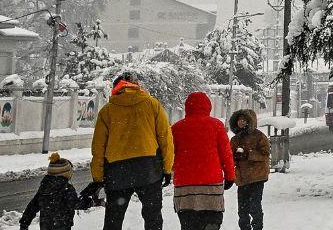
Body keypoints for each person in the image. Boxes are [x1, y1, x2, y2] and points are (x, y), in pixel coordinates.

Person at [85, 72, 175, 230]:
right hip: (149, 170)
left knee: (114, 219)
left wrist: (98, 178)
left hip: (117, 172)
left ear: (116, 88)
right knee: (152, 216)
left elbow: (98, 148)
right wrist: (167, 169)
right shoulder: (152, 104)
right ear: (136, 85)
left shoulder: (107, 111)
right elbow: (166, 139)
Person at [171, 92, 236, 230]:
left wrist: (167, 171)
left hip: (185, 186)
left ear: (187, 107)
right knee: (212, 218)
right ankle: (210, 224)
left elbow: (170, 155)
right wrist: (230, 176)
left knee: (188, 223)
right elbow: (226, 154)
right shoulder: (216, 125)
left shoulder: (176, 128)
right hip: (211, 185)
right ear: (208, 106)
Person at [228, 109, 270, 230]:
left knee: (254, 207)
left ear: (250, 122)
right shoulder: (235, 139)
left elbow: (265, 154)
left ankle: (257, 227)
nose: (241, 122)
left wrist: (248, 154)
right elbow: (230, 157)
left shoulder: (259, 136)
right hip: (242, 179)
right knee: (242, 209)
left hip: (257, 177)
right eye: (239, 120)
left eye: (244, 120)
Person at [19, 153, 81, 230]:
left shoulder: (44, 188)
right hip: (63, 226)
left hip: (45, 226)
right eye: (70, 171)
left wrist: (24, 223)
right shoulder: (67, 189)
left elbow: (32, 207)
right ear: (65, 173)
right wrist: (88, 202)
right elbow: (76, 204)